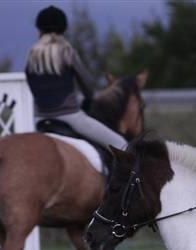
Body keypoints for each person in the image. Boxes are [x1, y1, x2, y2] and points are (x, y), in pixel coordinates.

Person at [25, 5, 126, 150]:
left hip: (40, 118)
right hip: (71, 116)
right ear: (63, 30)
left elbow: (32, 86)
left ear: (39, 30)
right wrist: (88, 99)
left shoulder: (31, 56)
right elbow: (88, 85)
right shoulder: (67, 52)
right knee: (121, 144)